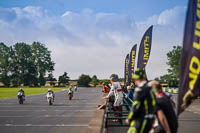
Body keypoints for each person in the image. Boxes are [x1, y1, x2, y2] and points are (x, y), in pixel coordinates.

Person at [126, 68, 156, 133]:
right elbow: (155, 104)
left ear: (136, 79)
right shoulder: (152, 89)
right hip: (150, 120)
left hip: (141, 120)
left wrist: (129, 118)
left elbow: (135, 106)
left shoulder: (139, 90)